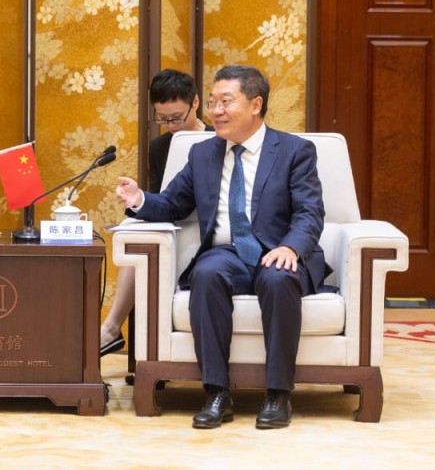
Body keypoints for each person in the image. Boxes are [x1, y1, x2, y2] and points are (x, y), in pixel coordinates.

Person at [115, 65, 326, 430]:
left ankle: (278, 394)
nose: (216, 111)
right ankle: (216, 393)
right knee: (207, 273)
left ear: (255, 105)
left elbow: (310, 211)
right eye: (212, 102)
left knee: (277, 277)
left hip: (278, 250)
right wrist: (139, 200)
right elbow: (173, 204)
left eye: (226, 102)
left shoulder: (294, 151)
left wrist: (291, 248)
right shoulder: (202, 154)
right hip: (228, 253)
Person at [100, 69, 210, 356]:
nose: (171, 125)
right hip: (170, 225)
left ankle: (112, 329)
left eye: (177, 117)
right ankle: (112, 328)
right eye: (162, 119)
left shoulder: (217, 139)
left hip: (207, 229)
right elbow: (160, 199)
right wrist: (137, 198)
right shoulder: (159, 146)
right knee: (136, 234)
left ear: (195, 103)